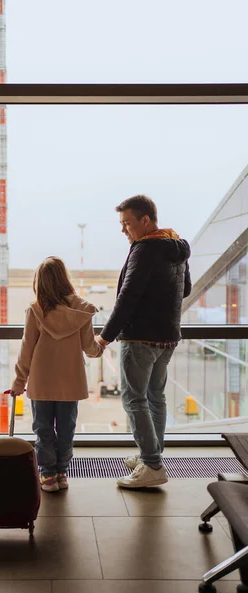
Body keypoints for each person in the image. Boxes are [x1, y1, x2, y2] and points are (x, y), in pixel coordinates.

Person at [96, 195, 191, 489]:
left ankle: (151, 465)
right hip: (167, 337)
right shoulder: (176, 247)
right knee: (155, 398)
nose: (124, 230)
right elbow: (184, 289)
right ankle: (152, 455)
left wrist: (104, 336)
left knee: (134, 399)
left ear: (145, 221)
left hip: (140, 337)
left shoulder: (144, 249)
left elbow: (128, 297)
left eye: (127, 223)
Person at [11, 256, 104, 492]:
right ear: (65, 279)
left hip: (42, 382)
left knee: (43, 430)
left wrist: (19, 381)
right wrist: (101, 346)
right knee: (66, 430)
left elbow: (26, 349)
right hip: (71, 382)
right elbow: (89, 348)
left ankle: (48, 475)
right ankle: (62, 473)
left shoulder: (36, 311)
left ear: (39, 283)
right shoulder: (81, 310)